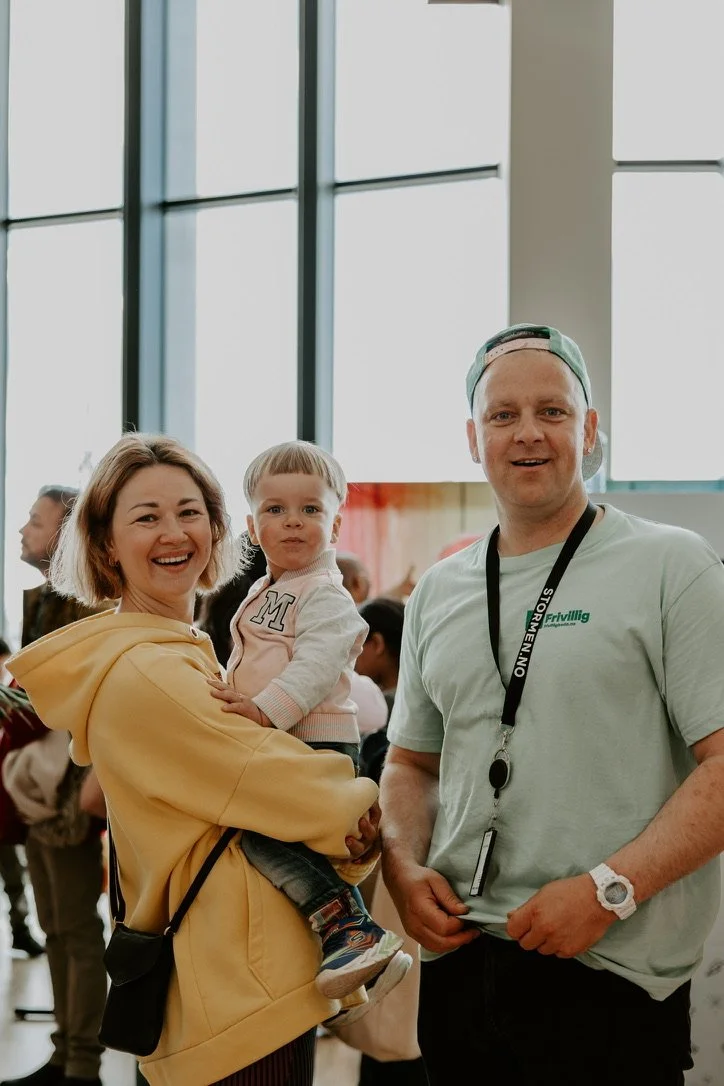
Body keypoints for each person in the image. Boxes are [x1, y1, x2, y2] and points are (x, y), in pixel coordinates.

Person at [380, 322, 724, 1086]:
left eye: (553, 411)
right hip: (463, 965)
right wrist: (402, 864)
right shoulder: (439, 590)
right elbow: (410, 761)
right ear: (474, 439)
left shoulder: (672, 566)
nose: (527, 433)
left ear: (591, 430)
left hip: (611, 970)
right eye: (502, 415)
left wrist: (610, 889)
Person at [8, 433, 382, 1086]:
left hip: (224, 975)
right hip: (237, 988)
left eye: (189, 512)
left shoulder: (182, 648)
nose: (174, 533)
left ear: (216, 526)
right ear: (105, 545)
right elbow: (279, 785)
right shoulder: (154, 671)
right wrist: (368, 807)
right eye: (146, 517)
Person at [208, 441, 410, 1021]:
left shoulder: (324, 592)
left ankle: (346, 924)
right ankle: (355, 948)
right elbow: (251, 658)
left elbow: (318, 663)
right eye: (274, 510)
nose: (292, 521)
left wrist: (263, 710)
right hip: (281, 736)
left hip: (312, 737)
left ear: (336, 523)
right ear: (251, 525)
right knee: (280, 840)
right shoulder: (265, 590)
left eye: (310, 510)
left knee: (261, 834)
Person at [2, 486, 108, 1086]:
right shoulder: (45, 600)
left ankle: (81, 1065)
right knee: (56, 924)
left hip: (70, 786)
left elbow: (73, 702)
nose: (22, 529)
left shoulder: (86, 606)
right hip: (45, 787)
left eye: (35, 521)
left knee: (73, 925)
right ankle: (67, 1053)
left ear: (65, 534)